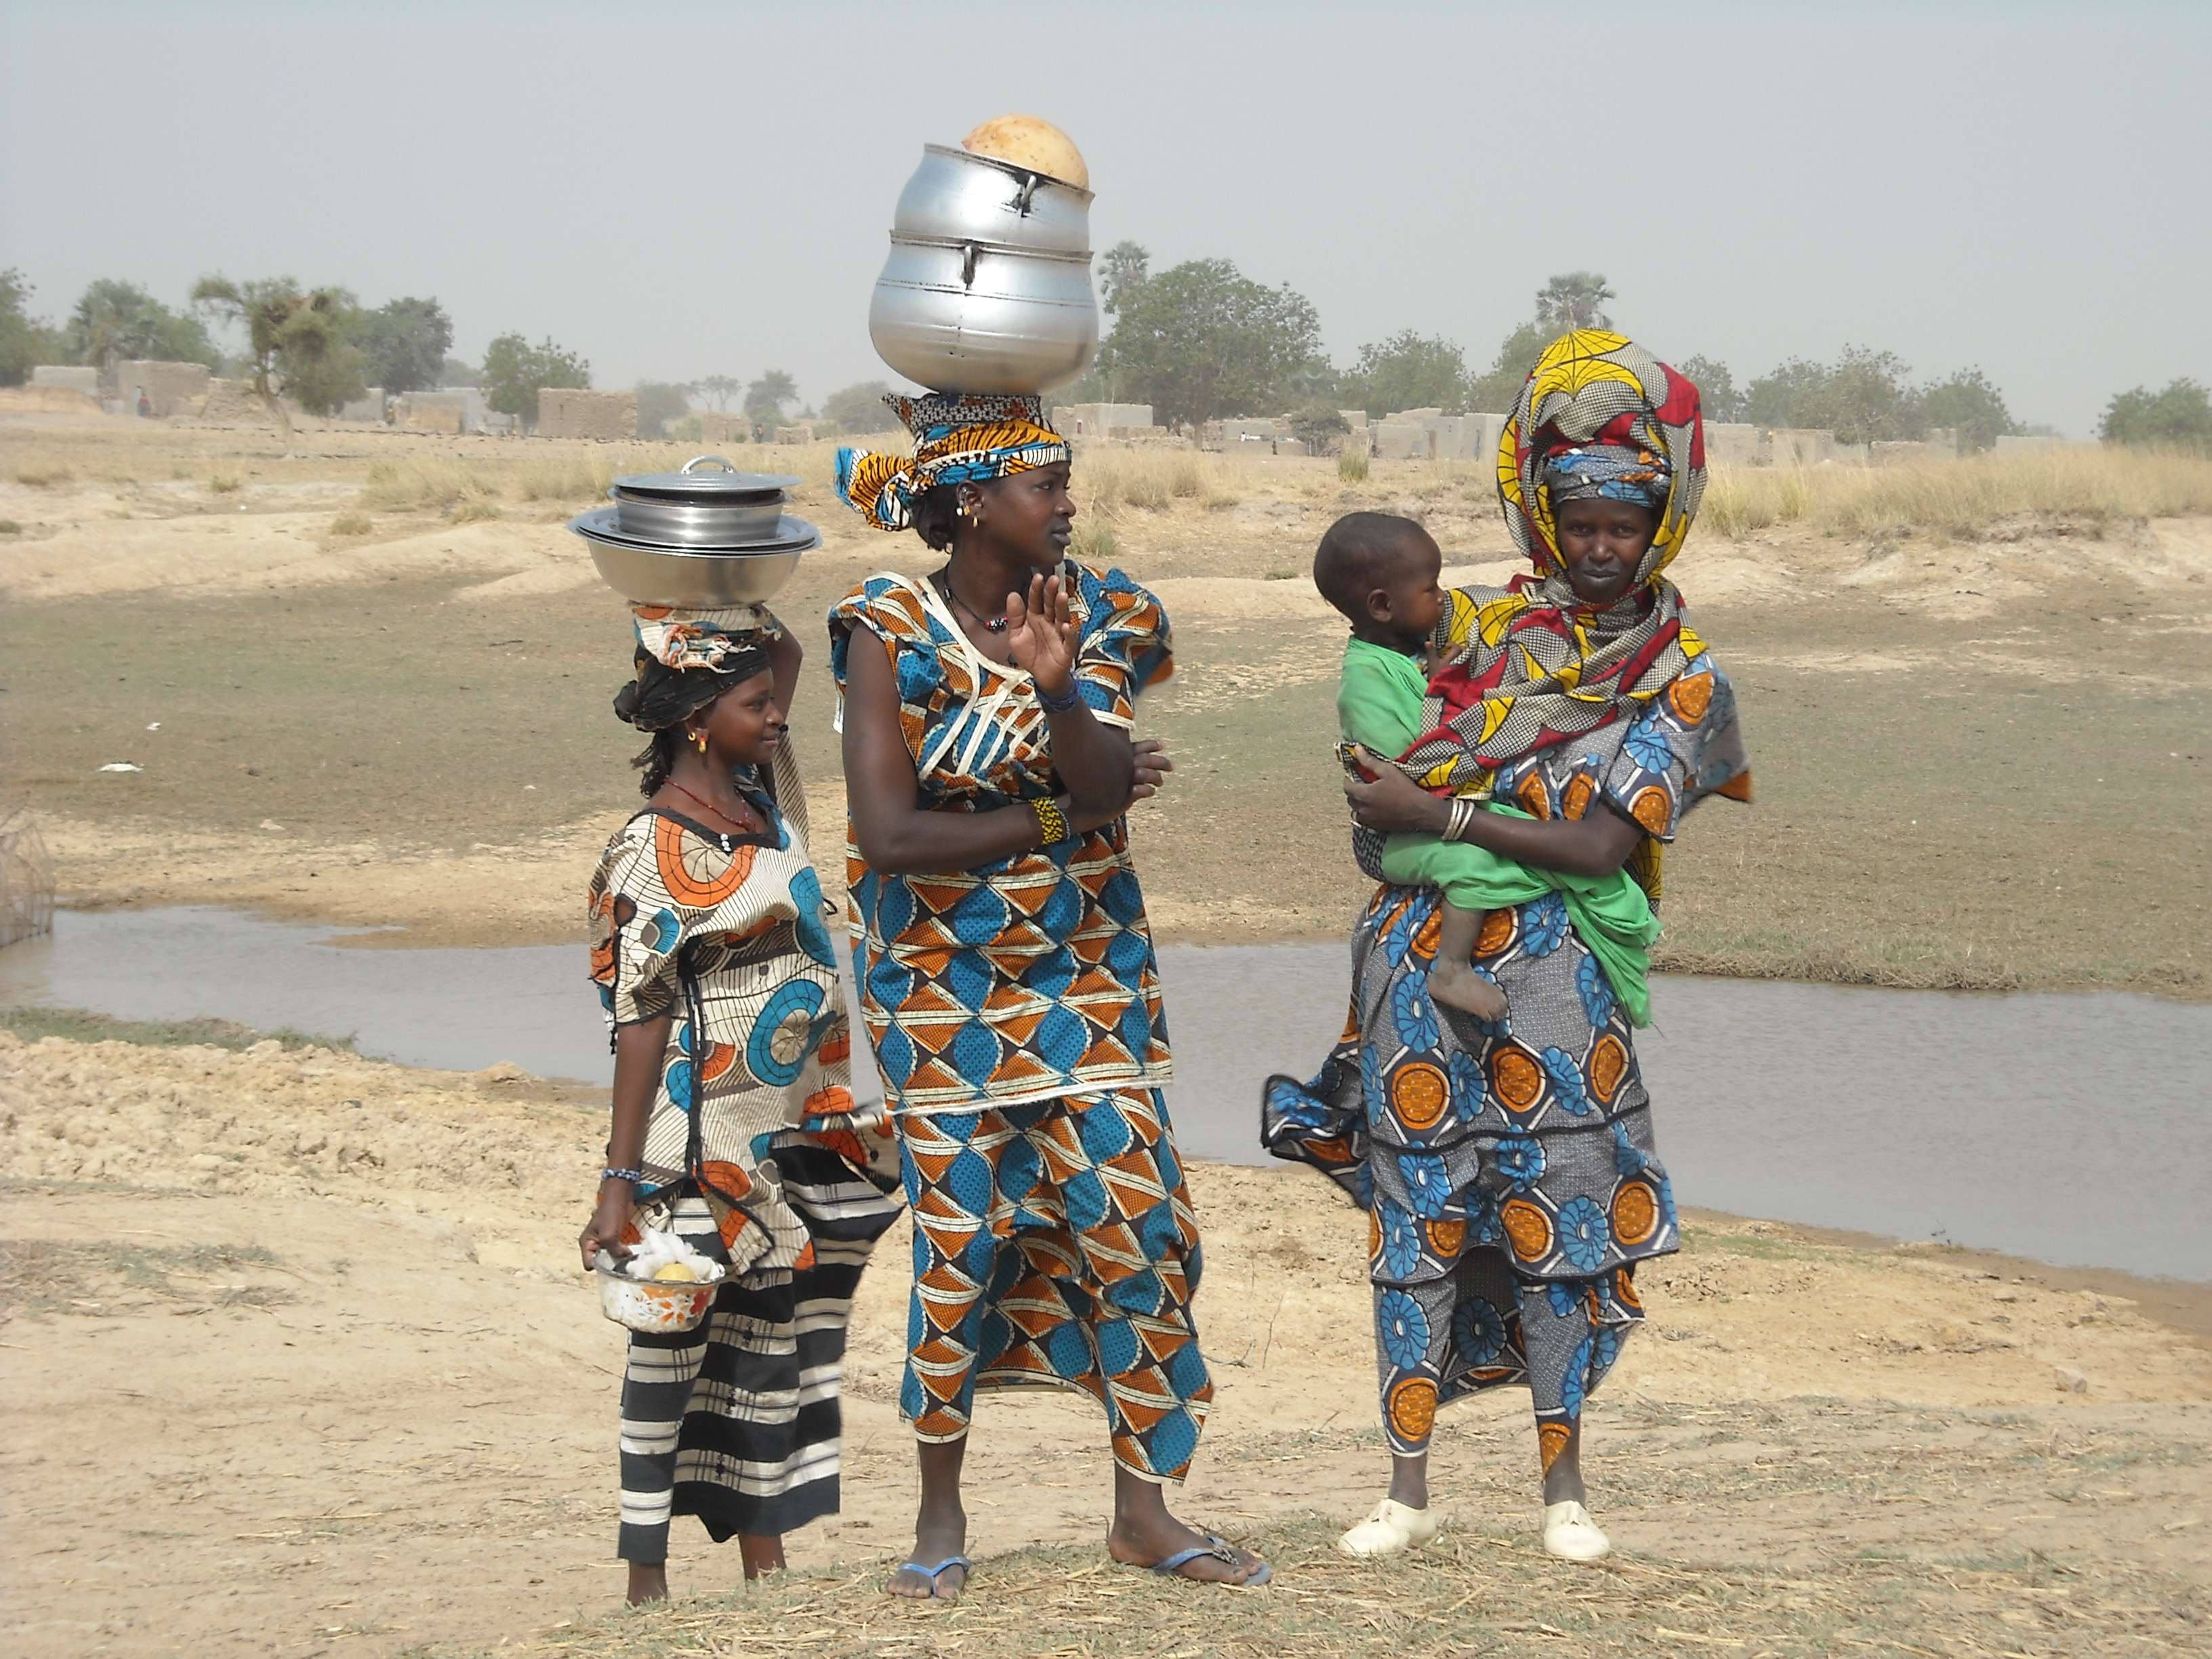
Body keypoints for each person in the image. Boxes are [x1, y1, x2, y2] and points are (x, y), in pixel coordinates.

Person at [1263, 331, 1753, 1566]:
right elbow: (1368, 768)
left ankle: (1562, 1491)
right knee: (1415, 1223)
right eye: (1575, 521)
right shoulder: (1470, 626)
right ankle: (1403, 1490)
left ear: (1662, 524)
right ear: (1540, 513)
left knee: (1559, 1235)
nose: (1597, 547)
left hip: (1560, 986)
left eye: (1620, 527)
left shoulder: (1683, 687)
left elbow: (1592, 850)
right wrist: (1404, 816)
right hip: (1413, 964)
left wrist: (1438, 816)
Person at [832, 392, 1267, 1598]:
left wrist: (1058, 686)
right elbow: (886, 830)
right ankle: (937, 1519)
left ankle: (1143, 1512)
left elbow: (1106, 788)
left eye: (1066, 479)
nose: (1068, 503)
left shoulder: (1106, 610)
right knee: (963, 1242)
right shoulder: (887, 624)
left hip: (1088, 979)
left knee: (1138, 1228)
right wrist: (1047, 814)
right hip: (935, 990)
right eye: (1045, 482)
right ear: (973, 499)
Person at [577, 603, 903, 1605]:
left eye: (773, 702)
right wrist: (620, 1180)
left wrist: (740, 585)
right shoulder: (646, 851)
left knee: (771, 1343)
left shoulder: (765, 795)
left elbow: (786, 657)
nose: (777, 717)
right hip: (695, 1139)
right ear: (695, 720)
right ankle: (646, 1581)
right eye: (756, 705)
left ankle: (767, 1560)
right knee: (668, 1355)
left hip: (790, 1127)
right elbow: (638, 1021)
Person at [1314, 510, 1664, 1029]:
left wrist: (1440, 688)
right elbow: (1409, 769)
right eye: (1431, 589)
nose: (1444, 599)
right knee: (1478, 865)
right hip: (1391, 833)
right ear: (1383, 606)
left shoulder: (1407, 653)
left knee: (1523, 846)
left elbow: (1432, 730)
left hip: (1429, 814)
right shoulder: (1364, 680)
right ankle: (1450, 968)